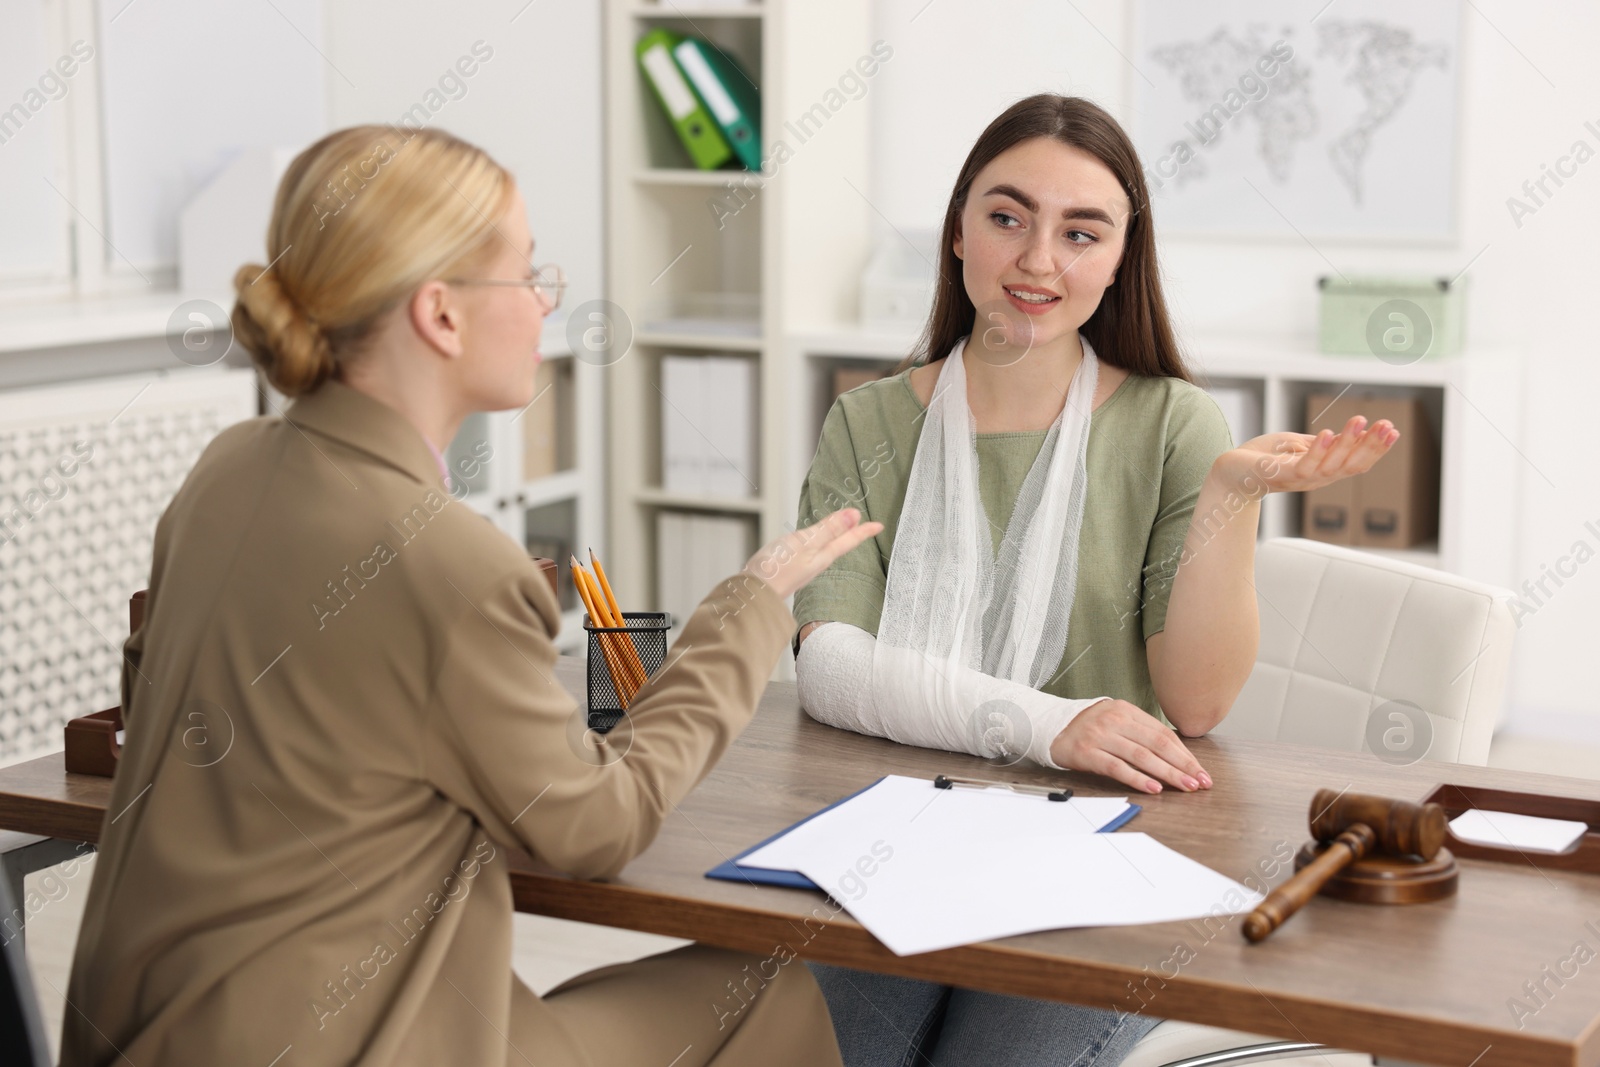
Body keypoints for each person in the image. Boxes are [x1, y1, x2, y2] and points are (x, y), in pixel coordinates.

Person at [59, 125, 876, 1067]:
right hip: (347, 1040)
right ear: (441, 314)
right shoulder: (452, 563)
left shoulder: (224, 471)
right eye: (529, 275)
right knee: (762, 984)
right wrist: (752, 604)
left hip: (149, 1032)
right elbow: (598, 827)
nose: (545, 303)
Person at [791, 94, 1397, 1067]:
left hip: (1114, 857)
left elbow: (1193, 702)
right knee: (825, 1047)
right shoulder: (866, 425)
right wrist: (1045, 720)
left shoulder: (1173, 424)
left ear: (1120, 257)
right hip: (900, 841)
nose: (1037, 259)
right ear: (957, 231)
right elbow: (830, 667)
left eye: (1081, 232)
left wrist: (1230, 493)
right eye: (1006, 217)